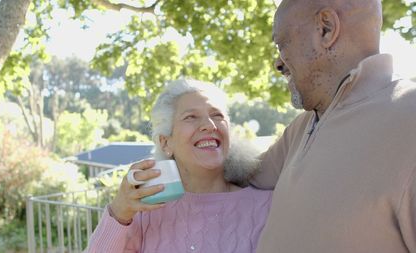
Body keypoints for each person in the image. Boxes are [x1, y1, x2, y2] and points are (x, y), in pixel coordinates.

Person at [250, 0, 416, 252]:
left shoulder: (409, 119)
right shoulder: (301, 127)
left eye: (281, 43)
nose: (278, 63)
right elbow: (235, 176)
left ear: (326, 28)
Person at [86, 79, 272, 253]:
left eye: (217, 115)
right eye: (191, 117)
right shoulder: (143, 212)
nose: (209, 125)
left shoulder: (266, 207)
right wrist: (119, 210)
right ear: (165, 143)